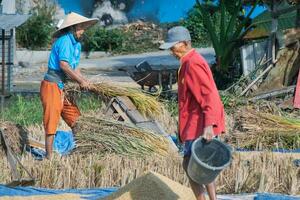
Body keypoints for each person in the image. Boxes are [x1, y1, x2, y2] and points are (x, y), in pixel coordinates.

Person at [160, 26, 225, 200]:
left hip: (199, 123)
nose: (172, 51)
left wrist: (209, 125)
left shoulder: (193, 62)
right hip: (194, 123)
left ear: (185, 43)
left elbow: (208, 95)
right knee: (201, 164)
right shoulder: (187, 62)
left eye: (174, 46)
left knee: (190, 164)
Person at [40, 12, 99, 159]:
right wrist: (80, 81)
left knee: (76, 119)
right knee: (51, 120)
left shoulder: (76, 45)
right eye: (80, 28)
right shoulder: (65, 41)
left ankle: (81, 151)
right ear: (73, 28)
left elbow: (75, 67)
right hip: (52, 85)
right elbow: (64, 66)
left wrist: (84, 80)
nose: (82, 30)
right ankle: (49, 157)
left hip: (65, 87)